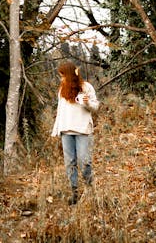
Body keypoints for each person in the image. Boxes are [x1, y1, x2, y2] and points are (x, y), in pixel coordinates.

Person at [51, 60, 99, 205]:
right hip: (66, 130)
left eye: (63, 75)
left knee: (85, 161)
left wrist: (86, 103)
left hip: (83, 129)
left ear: (70, 74)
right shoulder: (62, 90)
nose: (61, 79)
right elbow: (60, 111)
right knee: (69, 163)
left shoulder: (86, 87)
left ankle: (90, 190)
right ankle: (74, 193)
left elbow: (95, 107)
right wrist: (56, 130)